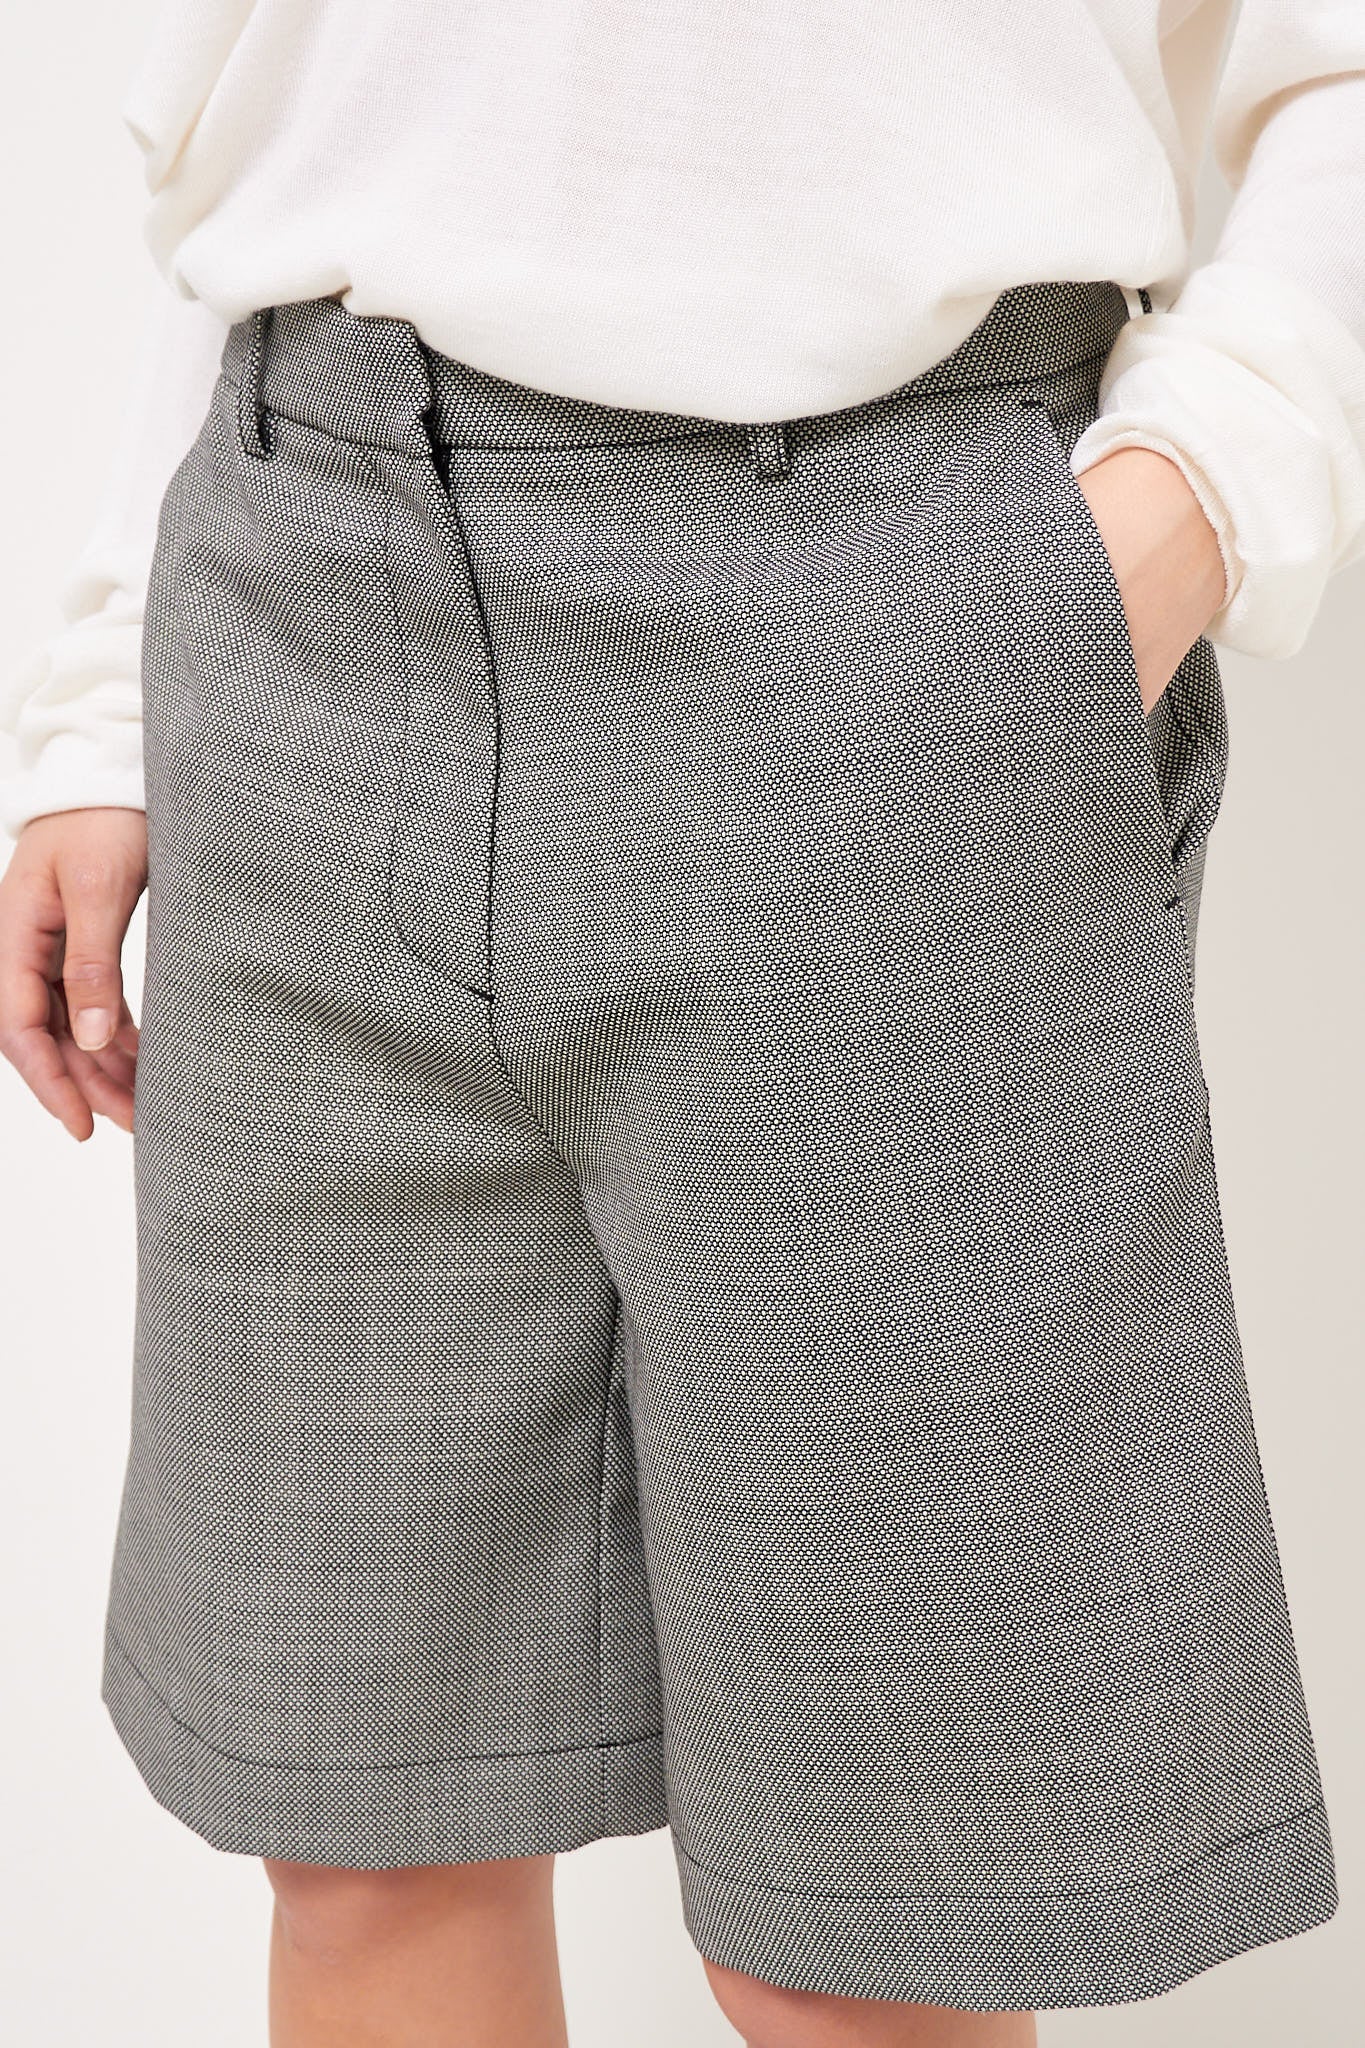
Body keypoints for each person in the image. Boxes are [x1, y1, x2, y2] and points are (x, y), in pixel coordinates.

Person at [1, 5, 1360, 2045]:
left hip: (885, 616)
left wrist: (1196, 485)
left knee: (868, 1936)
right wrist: (111, 687)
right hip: (306, 599)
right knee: (366, 1838)